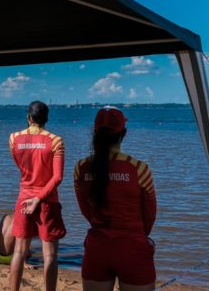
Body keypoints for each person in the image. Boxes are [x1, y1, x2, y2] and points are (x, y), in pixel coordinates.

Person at [74, 106, 157, 291]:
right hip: (133, 249)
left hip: (97, 248)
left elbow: (85, 210)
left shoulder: (81, 167)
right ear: (123, 134)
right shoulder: (139, 169)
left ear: (95, 132)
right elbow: (149, 216)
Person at [8, 100, 66, 291]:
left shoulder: (14, 138)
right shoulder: (56, 141)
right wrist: (39, 198)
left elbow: (21, 167)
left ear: (28, 118)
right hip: (47, 201)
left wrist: (32, 195)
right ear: (46, 119)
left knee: (19, 251)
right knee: (49, 255)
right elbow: (57, 177)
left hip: (24, 198)